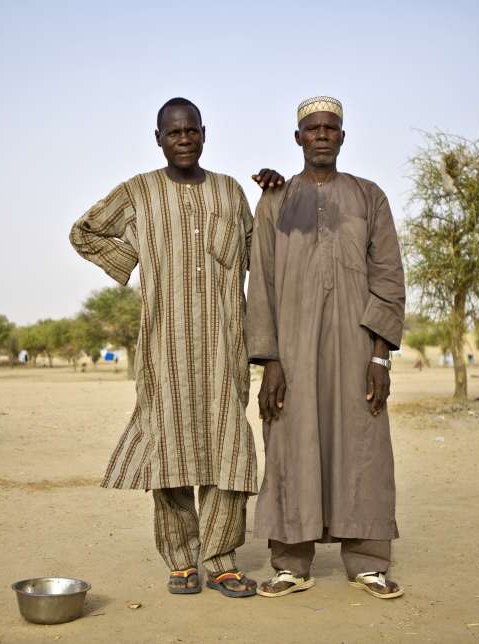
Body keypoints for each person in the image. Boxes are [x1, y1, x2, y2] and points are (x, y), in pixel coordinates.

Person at [70, 97, 283, 599]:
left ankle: (223, 559)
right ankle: (182, 560)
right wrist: (133, 259)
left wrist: (278, 195)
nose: (183, 139)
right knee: (168, 453)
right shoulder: (138, 193)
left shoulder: (230, 192)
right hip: (162, 352)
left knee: (226, 450)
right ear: (159, 139)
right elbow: (84, 231)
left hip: (223, 351)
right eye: (173, 132)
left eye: (191, 131)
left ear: (204, 134)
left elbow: (261, 252)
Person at [246, 96, 406, 600]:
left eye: (329, 128)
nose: (321, 135)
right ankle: (291, 563)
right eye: (311, 129)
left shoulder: (369, 197)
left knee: (363, 444)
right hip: (291, 353)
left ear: (342, 136)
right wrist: (270, 360)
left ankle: (367, 562)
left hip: (357, 350)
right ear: (298, 138)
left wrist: (380, 356)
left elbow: (388, 277)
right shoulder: (274, 200)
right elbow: (262, 283)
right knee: (291, 444)